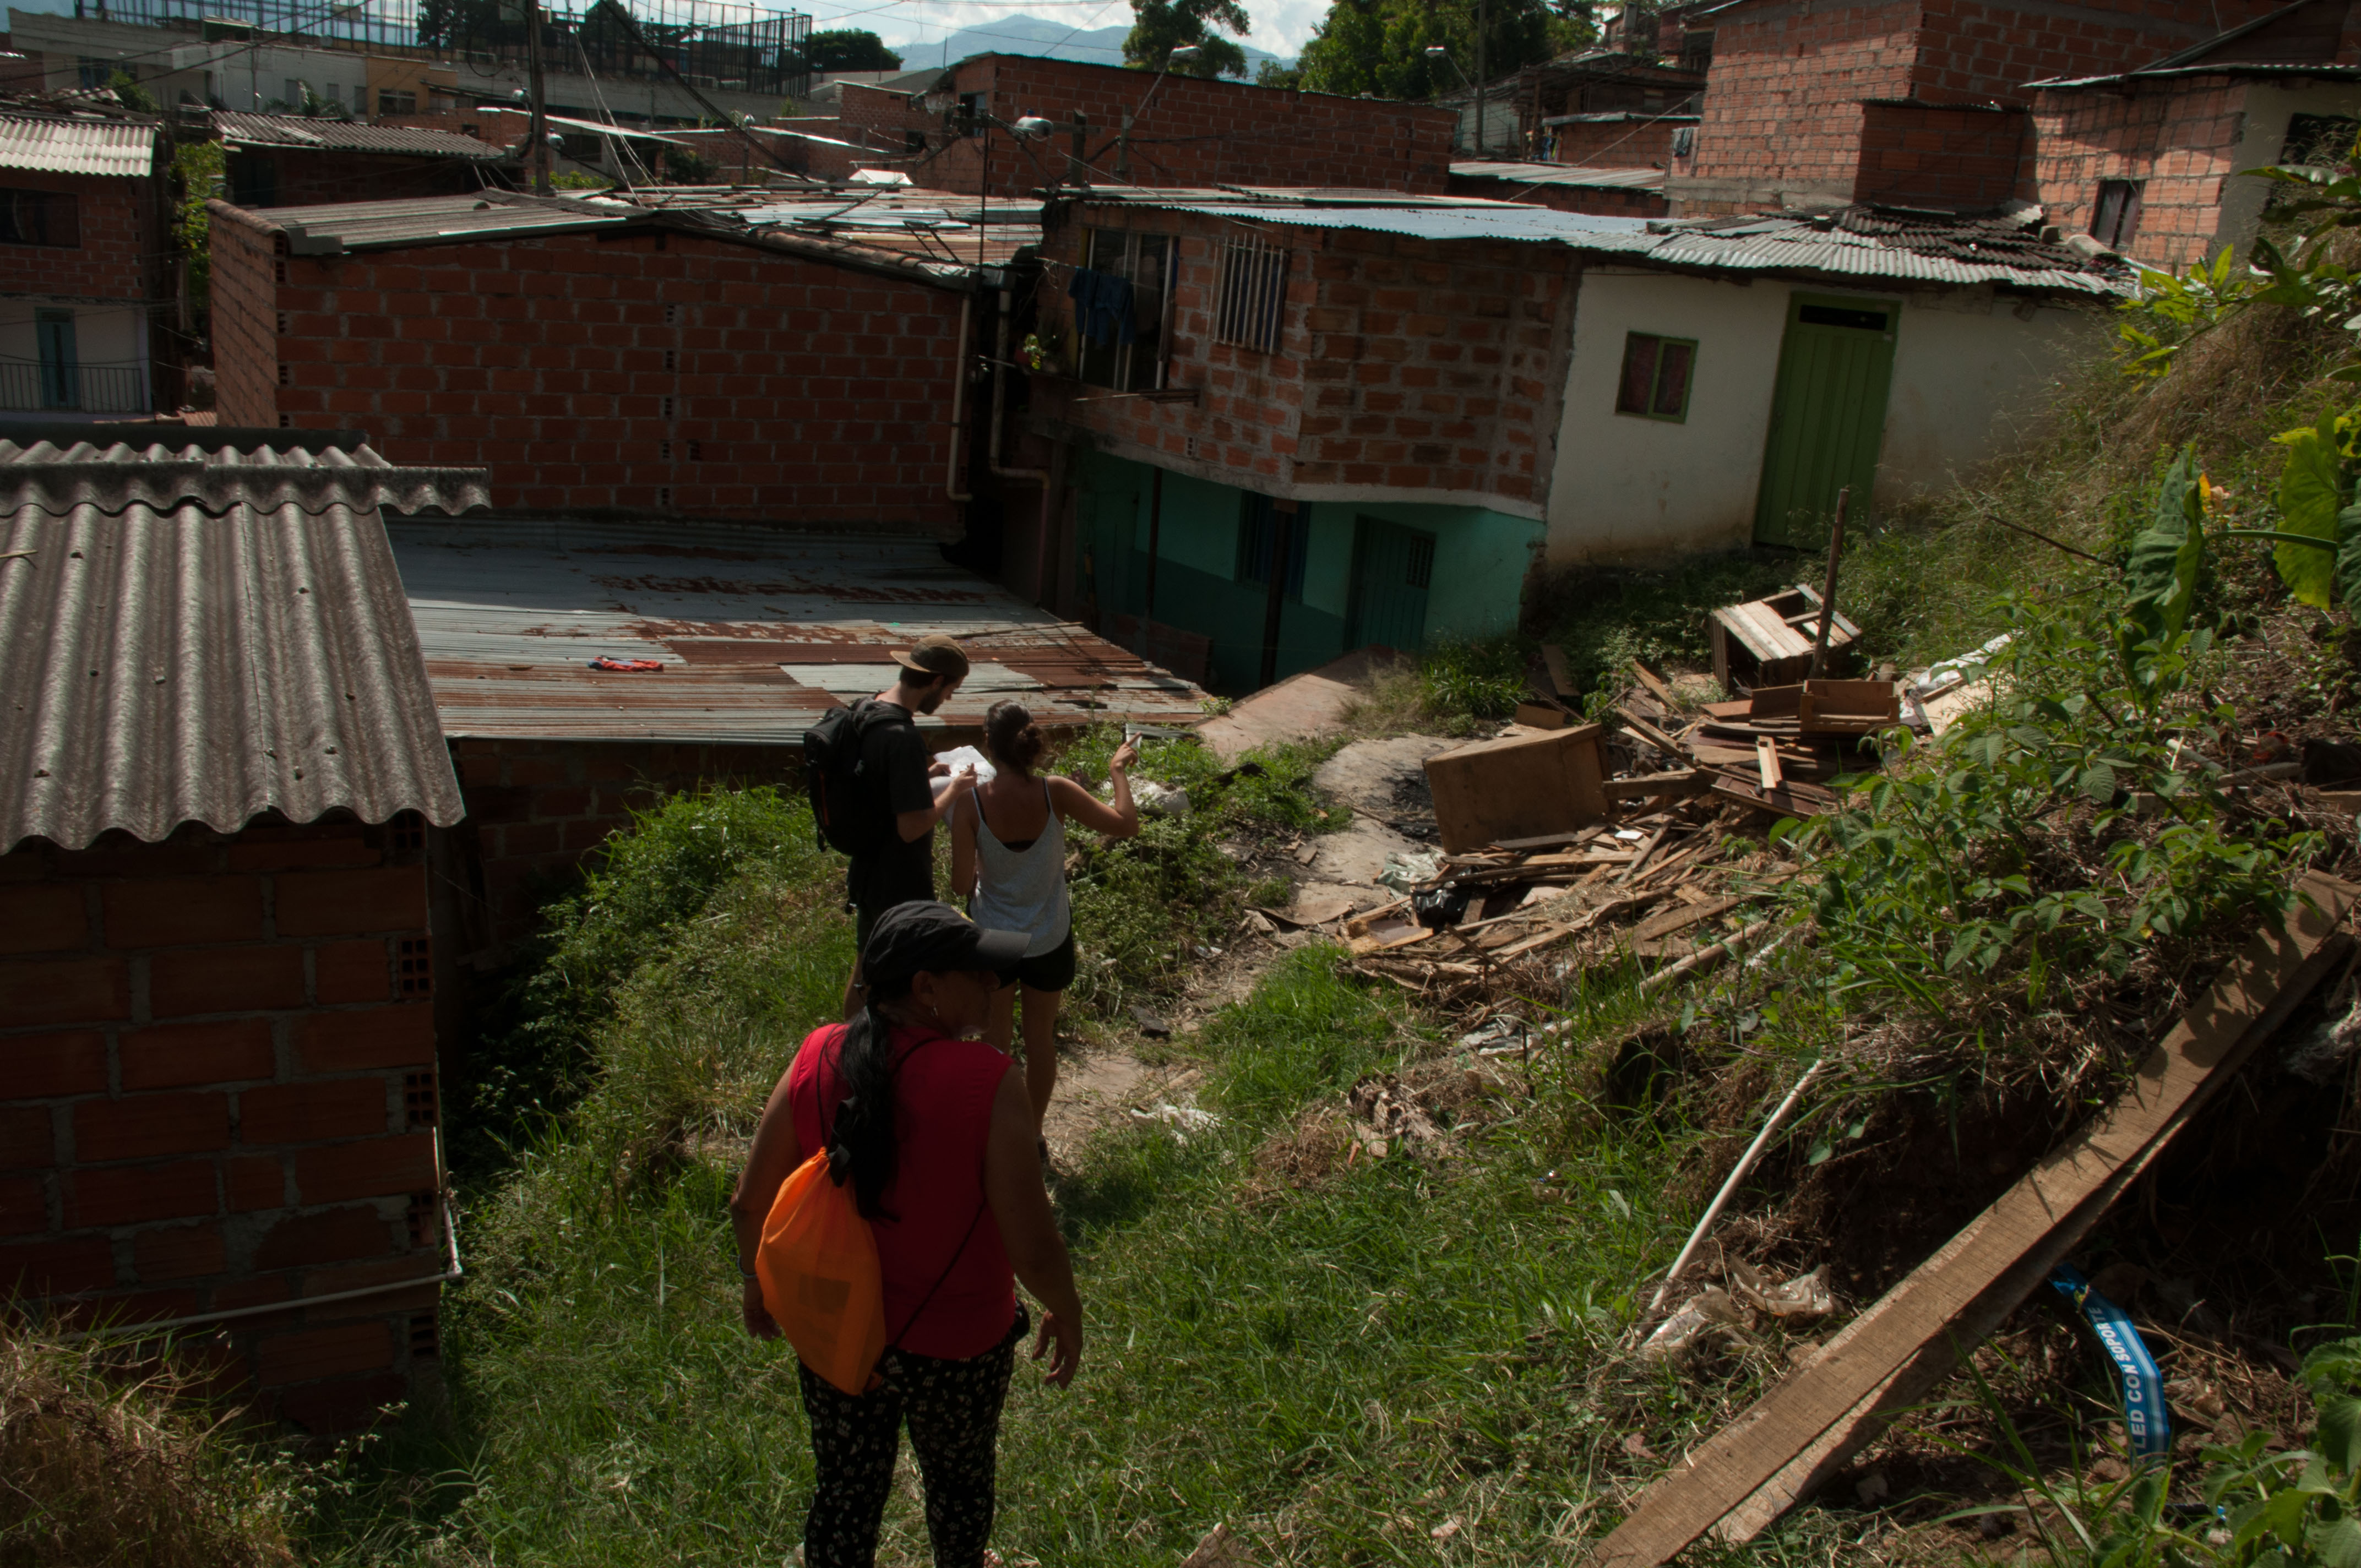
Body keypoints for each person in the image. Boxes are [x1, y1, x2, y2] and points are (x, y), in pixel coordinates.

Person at [730, 901, 1084, 1568]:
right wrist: (1066, 1308)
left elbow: (749, 1202)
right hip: (959, 1348)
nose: (992, 985)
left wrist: (756, 1283)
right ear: (925, 988)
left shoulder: (816, 1054)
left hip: (839, 1333)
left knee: (844, 1492)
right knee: (958, 1487)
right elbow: (1032, 1245)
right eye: (975, 973)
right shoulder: (988, 1080)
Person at [949, 704, 1141, 1131]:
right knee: (1041, 1042)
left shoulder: (970, 805)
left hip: (993, 941)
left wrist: (982, 867)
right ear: (1032, 745)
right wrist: (1117, 771)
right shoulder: (1056, 791)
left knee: (995, 1043)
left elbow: (961, 886)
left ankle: (997, 1136)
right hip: (1049, 938)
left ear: (987, 745)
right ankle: (1033, 1133)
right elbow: (1126, 825)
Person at [841, 634, 977, 1017]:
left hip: (867, 865)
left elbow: (878, 783)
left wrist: (924, 774)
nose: (949, 698)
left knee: (866, 966)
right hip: (896, 879)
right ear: (936, 681)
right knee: (888, 977)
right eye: (951, 690)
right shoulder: (902, 738)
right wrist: (954, 789)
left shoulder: (867, 709)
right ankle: (862, 1052)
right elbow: (912, 827)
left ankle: (850, 1049)